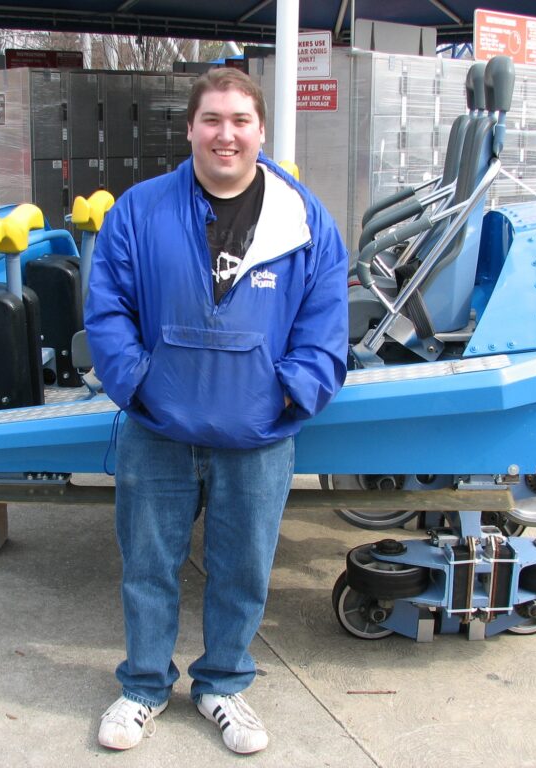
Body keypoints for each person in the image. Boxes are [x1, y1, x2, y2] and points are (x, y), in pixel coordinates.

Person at [84, 67, 348, 755]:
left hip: (258, 434)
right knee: (147, 565)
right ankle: (143, 687)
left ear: (260, 130)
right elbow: (107, 305)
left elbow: (326, 324)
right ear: (191, 127)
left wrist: (291, 392)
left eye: (239, 121)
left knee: (243, 569)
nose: (225, 134)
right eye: (212, 120)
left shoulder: (302, 217)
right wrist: (137, 384)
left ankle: (223, 684)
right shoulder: (139, 212)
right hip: (158, 428)